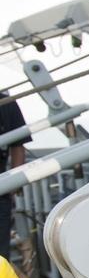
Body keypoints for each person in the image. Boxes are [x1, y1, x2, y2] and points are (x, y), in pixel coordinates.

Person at [0, 92, 27, 263]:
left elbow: (18, 146)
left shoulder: (6, 102)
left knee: (1, 257)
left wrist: (13, 184)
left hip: (1, 192)